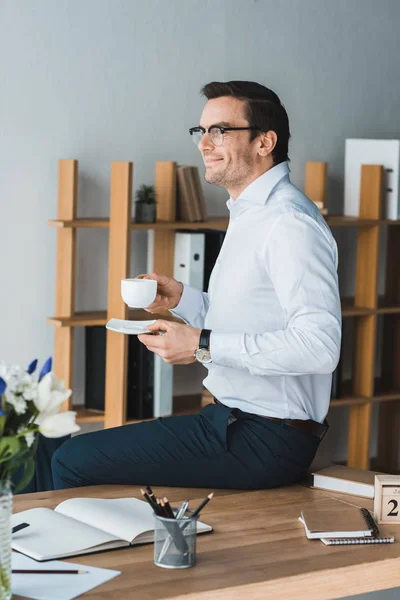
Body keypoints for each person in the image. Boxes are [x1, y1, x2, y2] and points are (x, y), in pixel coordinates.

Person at [52, 80, 341, 491]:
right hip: (233, 421)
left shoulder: (288, 223)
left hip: (265, 438)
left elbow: (319, 347)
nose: (205, 143)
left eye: (220, 131)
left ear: (265, 142)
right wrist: (183, 299)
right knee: (55, 451)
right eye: (201, 131)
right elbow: (253, 319)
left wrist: (200, 344)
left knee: (69, 460)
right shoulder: (251, 214)